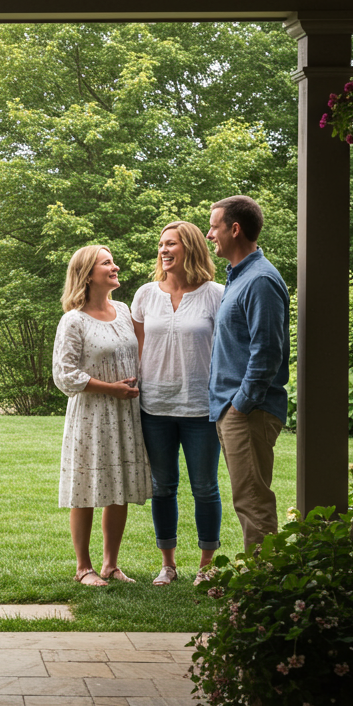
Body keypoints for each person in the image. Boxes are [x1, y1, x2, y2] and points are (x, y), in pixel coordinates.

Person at [131, 221, 226, 586]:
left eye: (171, 243)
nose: (163, 250)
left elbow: (225, 350)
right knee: (162, 486)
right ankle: (168, 565)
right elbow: (137, 349)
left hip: (201, 407)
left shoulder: (216, 294)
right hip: (154, 406)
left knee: (205, 487)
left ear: (191, 248)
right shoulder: (145, 295)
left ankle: (206, 565)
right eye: (161, 244)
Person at [52, 245, 151, 587]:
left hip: (125, 413)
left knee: (117, 486)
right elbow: (64, 374)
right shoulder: (74, 320)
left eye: (113, 261)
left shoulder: (123, 311)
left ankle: (111, 565)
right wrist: (111, 389)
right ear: (87, 274)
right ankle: (84, 567)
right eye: (106, 263)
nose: (115, 266)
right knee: (86, 487)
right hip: (91, 415)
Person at [206, 195, 290, 554]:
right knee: (247, 499)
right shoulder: (239, 277)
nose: (209, 234)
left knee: (253, 502)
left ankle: (264, 580)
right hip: (235, 410)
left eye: (214, 226)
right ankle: (261, 577)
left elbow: (267, 352)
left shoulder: (260, 280)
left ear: (235, 229)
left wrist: (240, 406)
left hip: (249, 412)